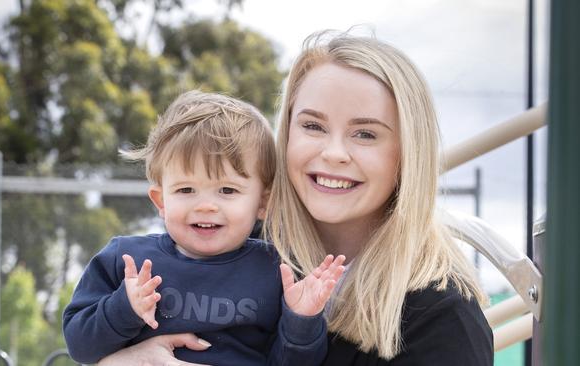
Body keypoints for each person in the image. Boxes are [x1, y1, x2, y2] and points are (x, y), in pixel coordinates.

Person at [98, 32, 494, 366]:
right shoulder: (229, 244)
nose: (334, 153)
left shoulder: (442, 316)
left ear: (408, 154)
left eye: (366, 134)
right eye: (313, 125)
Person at [63, 90, 346, 366]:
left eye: (227, 190)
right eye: (186, 189)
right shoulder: (126, 261)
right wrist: (123, 308)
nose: (206, 206)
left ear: (263, 202)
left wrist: (301, 320)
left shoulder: (278, 270)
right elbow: (80, 347)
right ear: (161, 200)